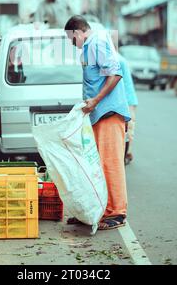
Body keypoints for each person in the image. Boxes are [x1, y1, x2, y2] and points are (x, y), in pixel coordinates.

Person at [64, 16, 131, 230]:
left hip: (108, 113)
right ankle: (100, 210)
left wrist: (95, 101)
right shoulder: (88, 48)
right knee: (96, 164)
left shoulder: (98, 41)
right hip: (98, 114)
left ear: (77, 32)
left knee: (111, 163)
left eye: (70, 39)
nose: (71, 44)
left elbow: (115, 73)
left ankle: (117, 213)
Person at [117, 53, 138, 165]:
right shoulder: (119, 58)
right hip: (128, 99)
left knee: (128, 128)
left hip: (127, 100)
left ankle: (127, 153)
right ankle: (128, 153)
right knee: (128, 128)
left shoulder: (117, 60)